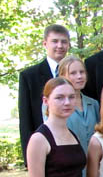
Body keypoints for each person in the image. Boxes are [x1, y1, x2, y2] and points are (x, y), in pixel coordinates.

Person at [19, 24, 70, 162]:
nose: (60, 46)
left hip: (72, 146)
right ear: (45, 44)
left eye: (64, 41)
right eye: (55, 41)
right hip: (43, 148)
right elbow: (26, 120)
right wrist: (29, 160)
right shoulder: (29, 76)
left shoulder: (77, 74)